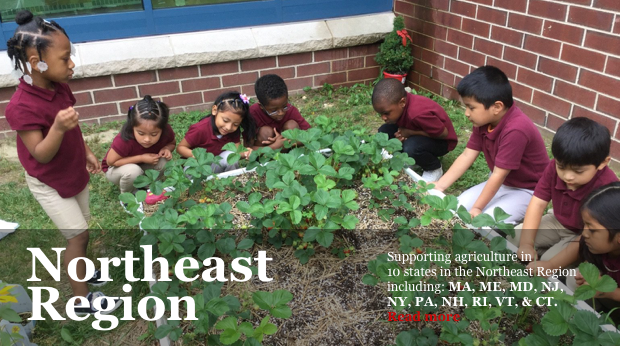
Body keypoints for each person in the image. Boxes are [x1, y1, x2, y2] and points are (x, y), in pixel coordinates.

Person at [4, 10, 121, 315]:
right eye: (64, 58)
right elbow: (40, 152)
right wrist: (56, 127)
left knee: (82, 230)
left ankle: (83, 269)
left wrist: (86, 152)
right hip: (49, 182)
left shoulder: (59, 88)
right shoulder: (21, 107)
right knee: (78, 236)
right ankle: (82, 301)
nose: (71, 64)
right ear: (36, 63)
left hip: (70, 172)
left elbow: (73, 129)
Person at [431, 65, 549, 224]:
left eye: (471, 107)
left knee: (485, 223)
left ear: (497, 107)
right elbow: (467, 155)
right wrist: (440, 186)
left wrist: (478, 208)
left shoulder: (516, 130)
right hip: (501, 182)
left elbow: (499, 174)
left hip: (528, 190)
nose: (466, 113)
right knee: (458, 209)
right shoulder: (483, 121)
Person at [511, 118, 618, 262]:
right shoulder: (553, 167)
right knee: (515, 236)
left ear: (603, 163)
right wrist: (526, 244)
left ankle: (549, 256)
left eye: (578, 171)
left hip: (585, 233)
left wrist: (551, 264)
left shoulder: (607, 186)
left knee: (550, 259)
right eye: (561, 167)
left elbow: (594, 232)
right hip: (557, 221)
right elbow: (538, 203)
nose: (567, 176)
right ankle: (543, 251)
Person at [527, 183, 620, 317]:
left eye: (592, 230)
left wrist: (611, 292)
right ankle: (592, 314)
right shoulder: (597, 240)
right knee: (575, 278)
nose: (585, 233)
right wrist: (551, 265)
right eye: (585, 225)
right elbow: (578, 244)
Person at [372, 78, 457, 181]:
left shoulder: (417, 114)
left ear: (402, 102)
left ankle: (433, 168)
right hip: (420, 130)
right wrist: (405, 133)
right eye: (380, 114)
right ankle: (413, 160)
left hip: (442, 141)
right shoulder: (402, 106)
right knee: (384, 131)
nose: (383, 118)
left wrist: (409, 133)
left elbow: (443, 133)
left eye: (386, 113)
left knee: (411, 147)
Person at [101, 95, 176, 208]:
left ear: (162, 129)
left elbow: (172, 143)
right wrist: (141, 158)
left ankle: (148, 186)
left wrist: (166, 149)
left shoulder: (166, 131)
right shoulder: (124, 140)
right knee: (133, 170)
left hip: (144, 165)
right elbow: (111, 162)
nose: (147, 139)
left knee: (164, 160)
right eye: (141, 133)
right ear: (132, 127)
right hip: (117, 169)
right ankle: (128, 197)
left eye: (154, 134)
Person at [177, 91, 254, 172]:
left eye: (235, 124)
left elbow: (236, 152)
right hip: (197, 167)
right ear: (214, 110)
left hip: (216, 165)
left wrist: (246, 152)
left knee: (230, 156)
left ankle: (230, 180)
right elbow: (180, 148)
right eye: (225, 120)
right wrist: (196, 155)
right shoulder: (200, 129)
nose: (228, 127)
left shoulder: (233, 131)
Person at [250, 74, 310, 150]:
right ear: (261, 106)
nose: (281, 112)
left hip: (288, 149)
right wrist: (274, 146)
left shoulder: (291, 110)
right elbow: (247, 148)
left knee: (291, 125)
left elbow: (310, 135)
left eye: (284, 106)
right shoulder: (253, 113)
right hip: (265, 153)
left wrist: (285, 142)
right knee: (265, 132)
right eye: (274, 110)